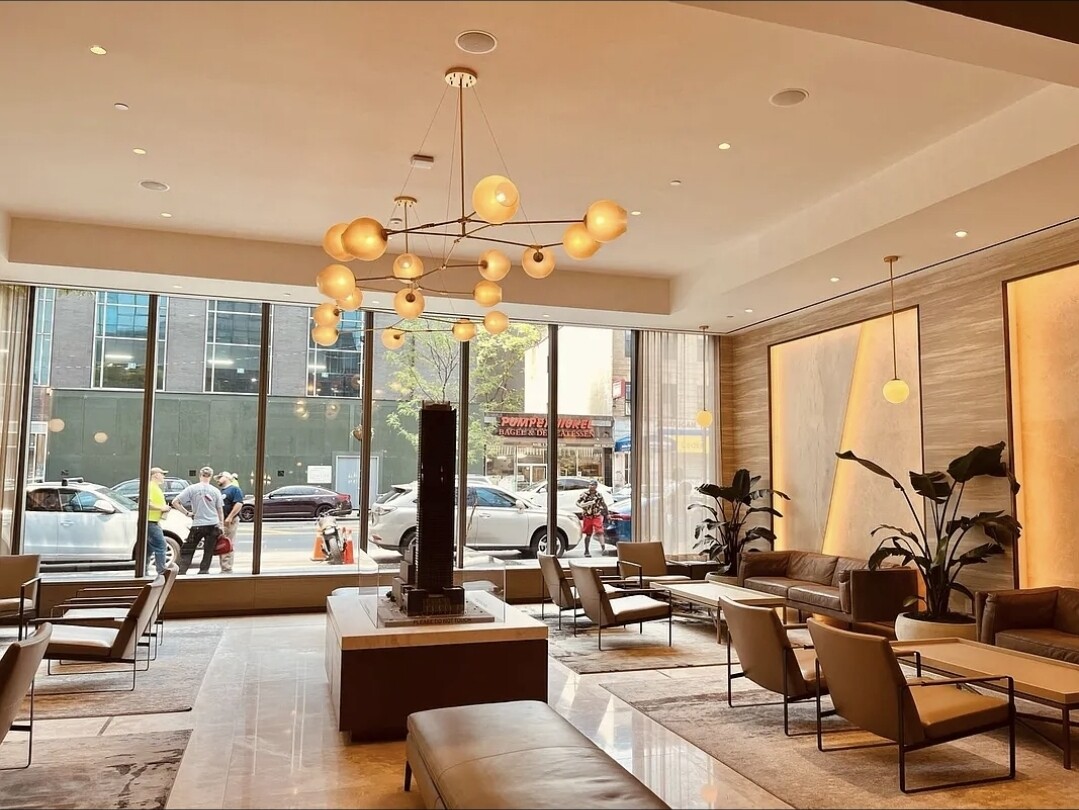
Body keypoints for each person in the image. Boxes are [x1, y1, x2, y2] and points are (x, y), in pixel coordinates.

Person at [171, 466, 224, 575]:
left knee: (188, 549)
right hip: (212, 524)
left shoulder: (192, 489)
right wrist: (221, 525)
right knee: (208, 551)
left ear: (200, 475)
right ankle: (203, 571)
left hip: (198, 524)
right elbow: (220, 510)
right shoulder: (215, 491)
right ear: (211, 476)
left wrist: (187, 513)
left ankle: (182, 571)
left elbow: (175, 502)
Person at [216, 471, 244, 574]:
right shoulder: (221, 491)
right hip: (221, 521)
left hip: (229, 521)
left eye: (220, 477)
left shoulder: (234, 489)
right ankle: (223, 567)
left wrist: (230, 517)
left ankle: (227, 568)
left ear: (226, 477)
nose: (218, 480)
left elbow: (239, 503)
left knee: (227, 543)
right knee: (221, 544)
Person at [146, 466, 170, 574]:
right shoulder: (151, 487)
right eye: (162, 474)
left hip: (153, 520)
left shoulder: (154, 487)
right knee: (161, 545)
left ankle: (143, 569)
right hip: (150, 521)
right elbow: (147, 502)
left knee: (149, 547)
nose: (164, 476)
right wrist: (162, 508)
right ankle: (161, 571)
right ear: (155, 475)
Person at [576, 480, 609, 558]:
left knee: (600, 531)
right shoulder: (584, 494)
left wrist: (607, 514)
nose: (591, 486)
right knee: (588, 534)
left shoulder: (599, 495)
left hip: (596, 515)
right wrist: (582, 505)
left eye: (593, 485)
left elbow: (603, 504)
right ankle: (586, 550)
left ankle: (603, 548)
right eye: (590, 485)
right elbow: (577, 502)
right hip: (587, 516)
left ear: (596, 486)